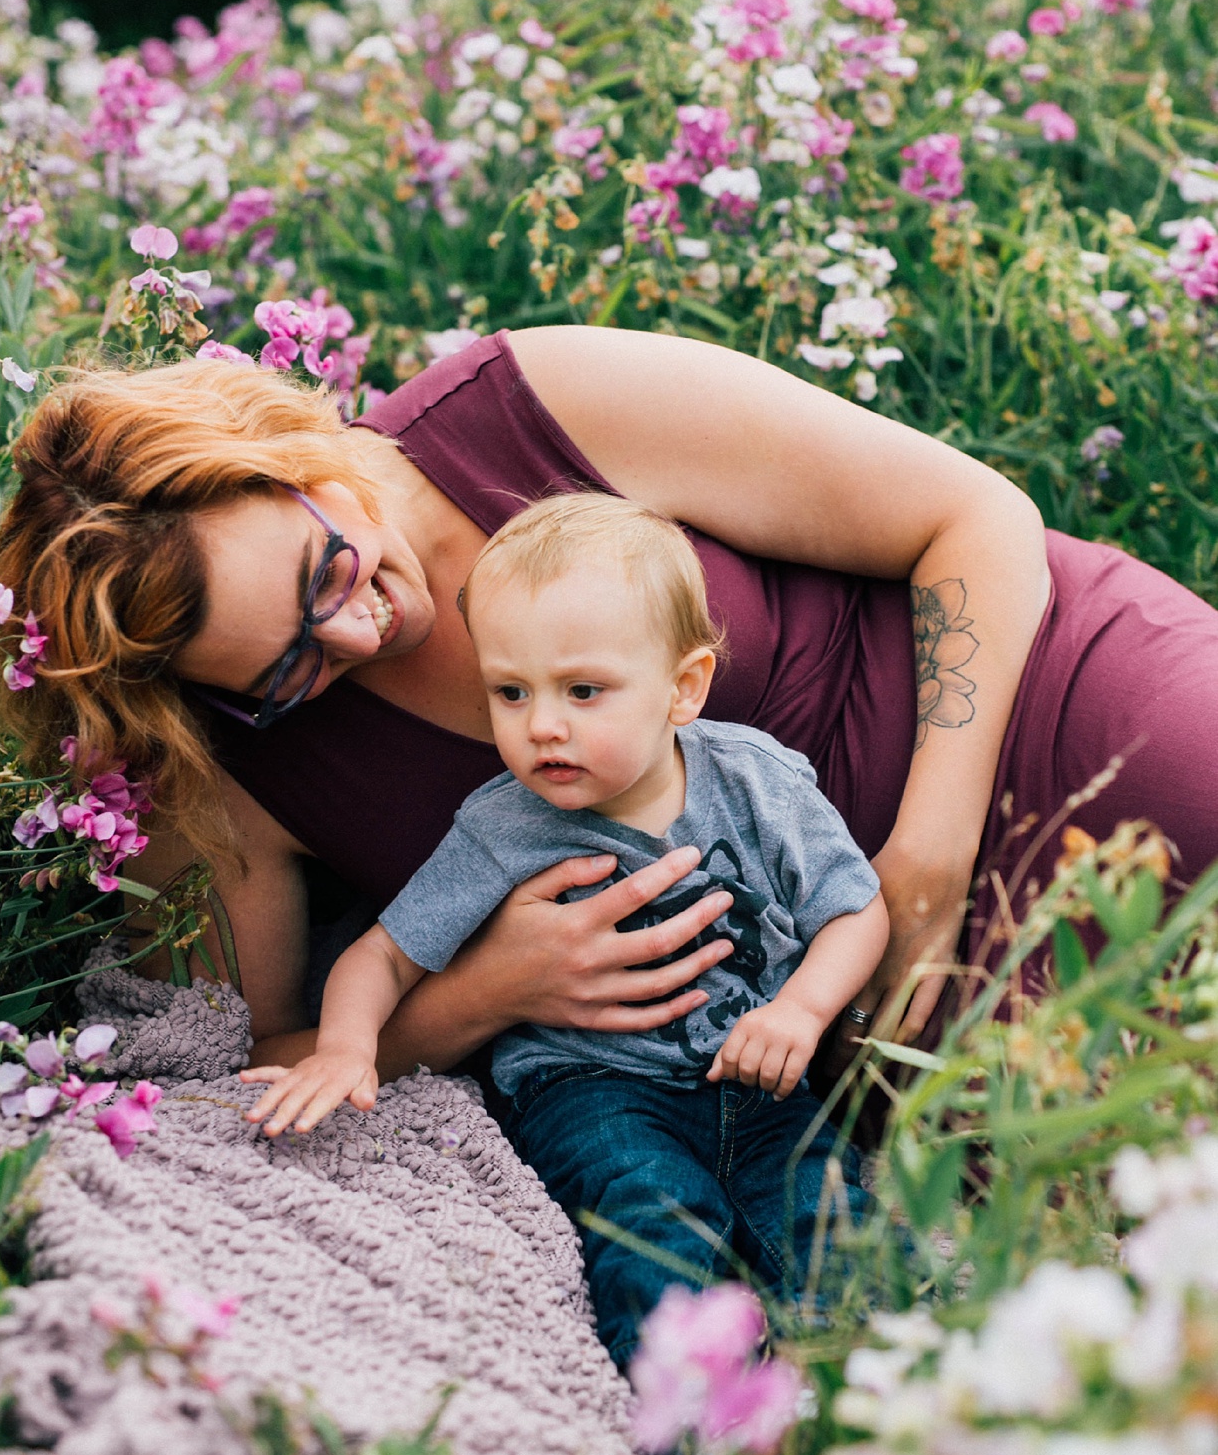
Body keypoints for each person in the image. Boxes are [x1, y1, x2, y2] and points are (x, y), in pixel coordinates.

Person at [0, 327, 1218, 1080]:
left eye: (328, 572)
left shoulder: (522, 411)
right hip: (803, 1011)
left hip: (1024, 712)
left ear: (283, 451)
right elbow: (261, 1059)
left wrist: (928, 863)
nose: (365, 633)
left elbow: (974, 518)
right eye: (285, 672)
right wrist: (484, 998)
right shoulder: (224, 766)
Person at [240, 495, 883, 1364]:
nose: (543, 724)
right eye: (511, 691)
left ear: (682, 687)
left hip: (759, 1076)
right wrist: (348, 1048)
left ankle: (882, 1393)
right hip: (594, 1088)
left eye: (584, 691)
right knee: (648, 1215)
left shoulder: (756, 781)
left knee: (830, 1218)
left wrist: (801, 1011)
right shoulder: (505, 826)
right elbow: (383, 956)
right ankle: (691, 1415)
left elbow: (855, 908)